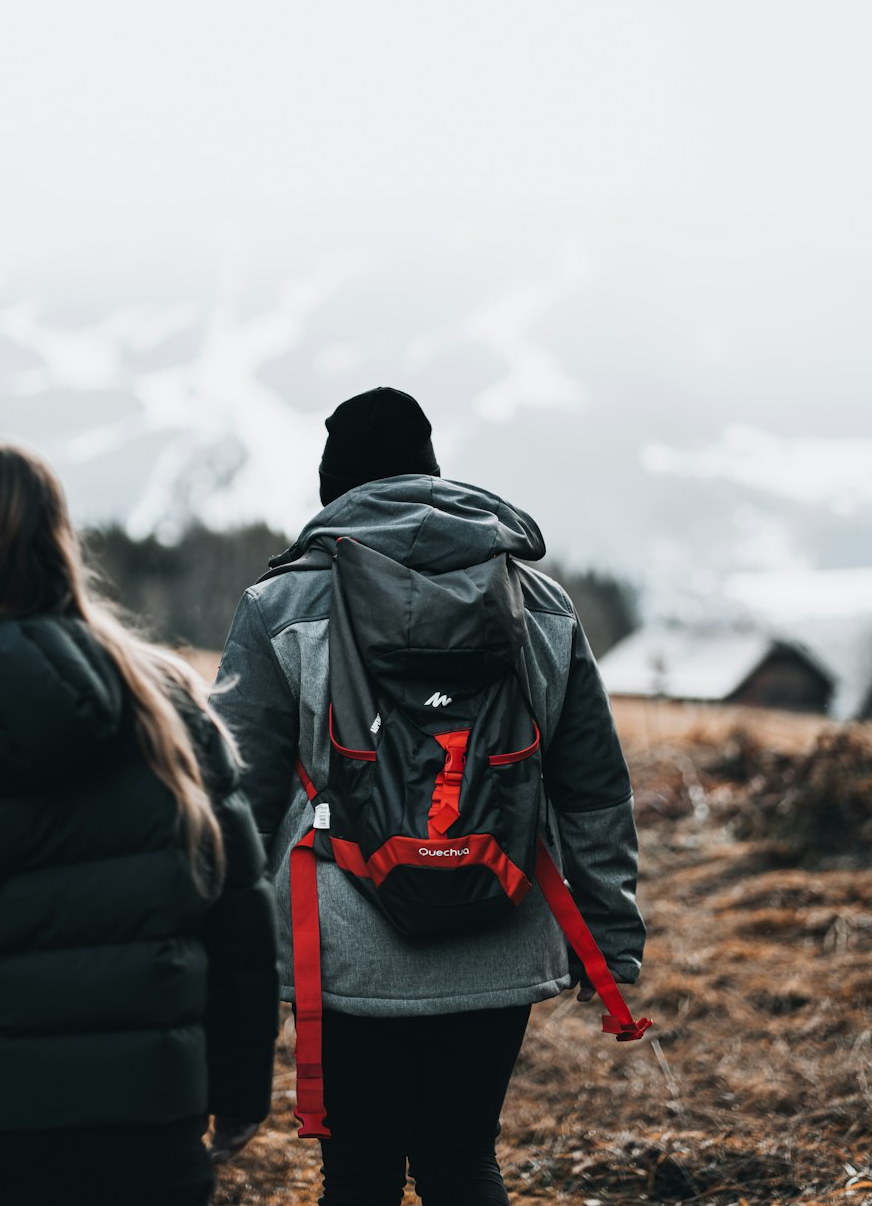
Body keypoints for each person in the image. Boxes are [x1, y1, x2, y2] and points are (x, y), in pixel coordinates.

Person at [213, 386, 646, 1206]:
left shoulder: (281, 607)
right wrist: (610, 939)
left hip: (342, 941)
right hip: (503, 925)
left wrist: (227, 964)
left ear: (331, 490)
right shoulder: (541, 605)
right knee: (461, 1162)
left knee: (360, 1174)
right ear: (434, 473)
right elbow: (592, 788)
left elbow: (237, 797)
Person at [0, 441, 280, 1206]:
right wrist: (239, 1089)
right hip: (146, 1133)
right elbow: (238, 919)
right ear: (59, 543)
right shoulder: (168, 702)